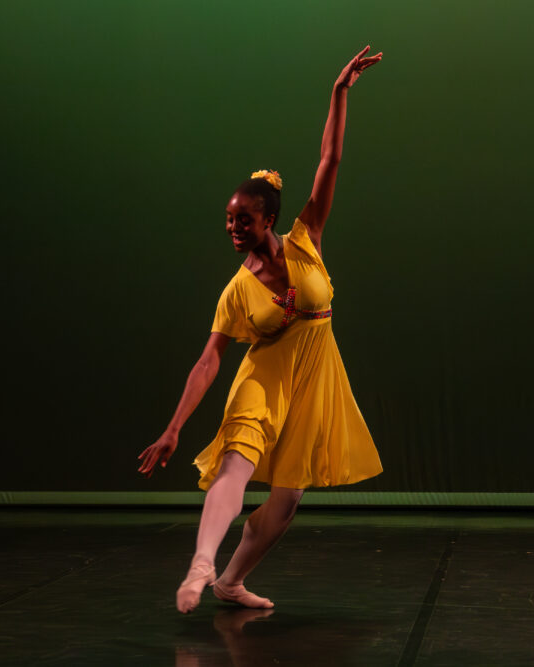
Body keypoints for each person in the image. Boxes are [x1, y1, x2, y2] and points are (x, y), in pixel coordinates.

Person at [137, 45, 384, 614]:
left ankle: (229, 581)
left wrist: (339, 92)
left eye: (242, 219)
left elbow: (330, 162)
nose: (232, 228)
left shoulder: (305, 239)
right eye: (228, 220)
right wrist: (175, 428)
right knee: (236, 462)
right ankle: (201, 563)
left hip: (315, 380)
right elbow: (208, 362)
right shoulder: (236, 290)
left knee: (289, 498)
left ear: (268, 219)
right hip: (265, 379)